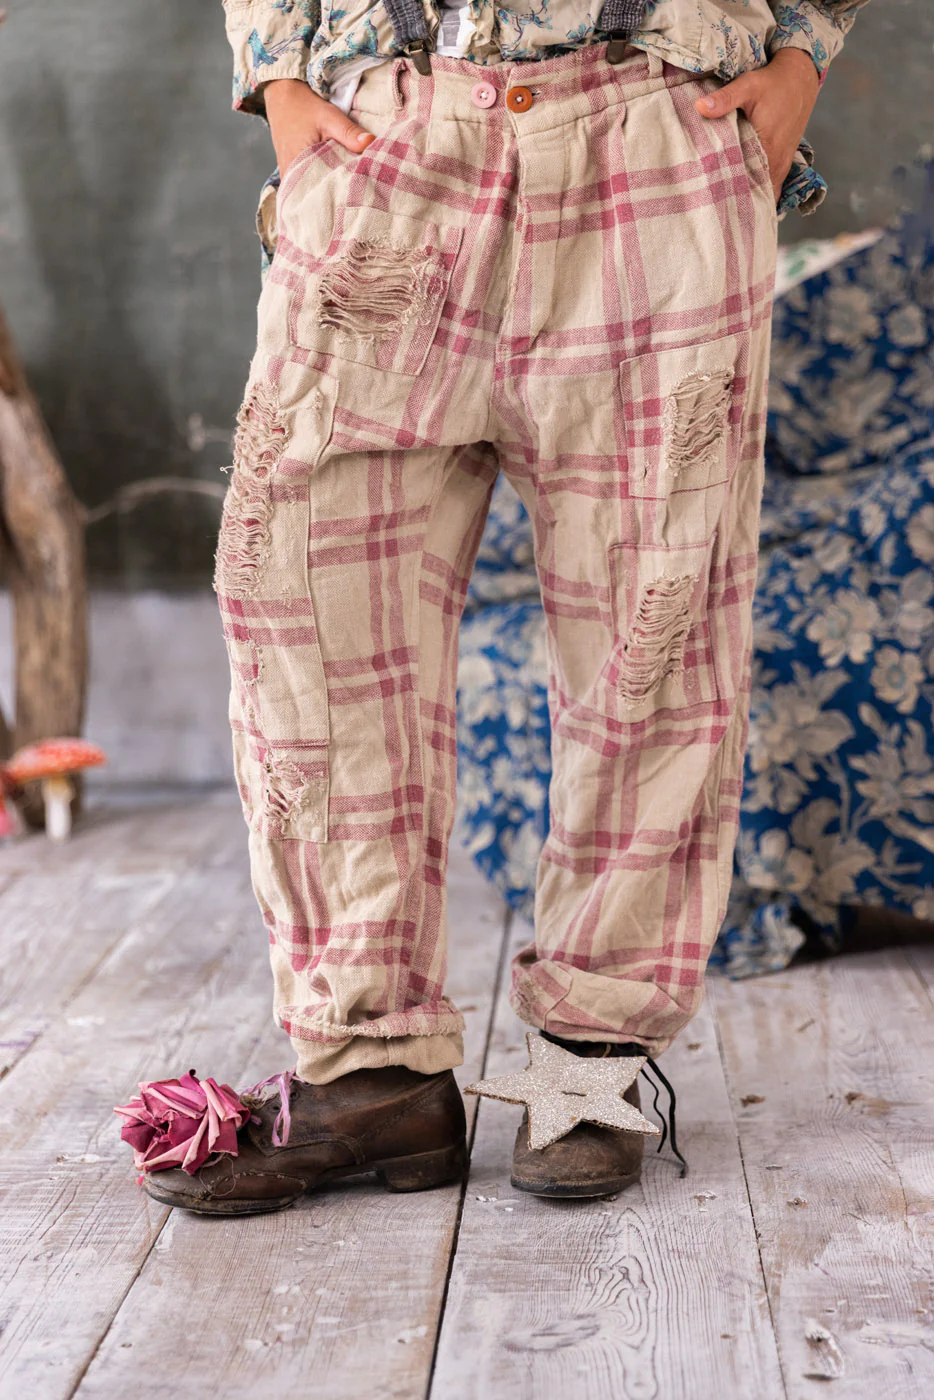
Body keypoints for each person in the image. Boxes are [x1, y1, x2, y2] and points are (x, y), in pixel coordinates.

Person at [133, 0, 872, 1211]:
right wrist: (277, 75)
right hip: (386, 145)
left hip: (656, 140)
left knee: (656, 621)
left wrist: (800, 49)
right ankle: (370, 1070)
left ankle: (592, 1056)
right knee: (305, 613)